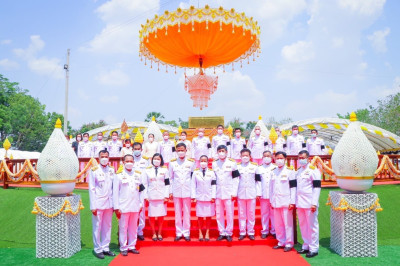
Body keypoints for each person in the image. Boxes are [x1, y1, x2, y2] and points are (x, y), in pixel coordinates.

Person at [113, 154, 146, 256]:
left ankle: (132, 245)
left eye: (131, 161)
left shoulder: (138, 175)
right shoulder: (118, 175)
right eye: (127, 161)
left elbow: (141, 191)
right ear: (123, 162)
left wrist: (141, 204)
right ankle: (123, 246)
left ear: (134, 163)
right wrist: (116, 207)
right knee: (123, 227)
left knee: (133, 227)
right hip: (123, 206)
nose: (129, 163)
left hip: (135, 205)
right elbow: (115, 192)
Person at [88, 150, 116, 259]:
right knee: (97, 227)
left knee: (107, 226)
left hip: (109, 203)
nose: (104, 158)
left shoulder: (112, 170)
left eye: (106, 156)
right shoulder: (94, 170)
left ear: (109, 158)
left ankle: (105, 248)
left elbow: (114, 188)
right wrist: (93, 206)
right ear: (99, 158)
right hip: (98, 203)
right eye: (102, 156)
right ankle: (98, 249)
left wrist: (115, 204)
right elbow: (92, 189)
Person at [295, 150, 321, 258]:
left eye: (303, 157)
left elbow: (317, 188)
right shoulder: (298, 171)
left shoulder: (313, 170)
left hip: (310, 203)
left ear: (308, 158)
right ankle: (306, 246)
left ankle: (314, 248)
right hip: (300, 203)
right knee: (303, 225)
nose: (301, 159)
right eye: (299, 158)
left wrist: (314, 203)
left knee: (312, 226)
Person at [270, 151, 296, 252]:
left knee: (287, 223)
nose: (279, 160)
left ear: (285, 159)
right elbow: (271, 188)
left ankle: (289, 243)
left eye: (281, 158)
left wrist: (292, 201)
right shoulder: (273, 171)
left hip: (286, 201)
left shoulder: (290, 171)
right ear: (275, 159)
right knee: (278, 223)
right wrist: (271, 201)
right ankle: (281, 241)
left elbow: (293, 187)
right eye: (277, 158)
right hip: (276, 201)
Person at [212, 145, 240, 242]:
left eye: (223, 151)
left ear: (227, 152)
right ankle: (221, 232)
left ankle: (229, 232)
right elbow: (213, 180)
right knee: (219, 214)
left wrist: (234, 193)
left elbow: (236, 178)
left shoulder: (232, 163)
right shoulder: (214, 164)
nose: (221, 152)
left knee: (229, 213)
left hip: (229, 192)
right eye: (219, 151)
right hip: (218, 192)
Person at [169, 143, 195, 241]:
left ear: (186, 151)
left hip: (187, 190)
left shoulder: (191, 162)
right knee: (178, 212)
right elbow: (170, 178)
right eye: (178, 150)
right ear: (176, 151)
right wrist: (170, 191)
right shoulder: (172, 163)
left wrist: (193, 193)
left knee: (187, 212)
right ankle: (179, 232)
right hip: (176, 190)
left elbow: (193, 178)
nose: (180, 152)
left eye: (182, 150)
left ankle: (186, 232)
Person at [144, 153, 170, 241]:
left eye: (158, 159)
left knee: (161, 216)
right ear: (152, 160)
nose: (156, 160)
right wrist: (145, 196)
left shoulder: (165, 170)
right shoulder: (147, 170)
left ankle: (159, 233)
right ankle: (153, 233)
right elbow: (145, 184)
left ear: (161, 160)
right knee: (151, 215)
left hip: (161, 196)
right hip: (151, 196)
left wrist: (166, 196)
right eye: (155, 158)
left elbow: (167, 184)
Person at [236, 148, 261, 240]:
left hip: (251, 193)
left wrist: (258, 193)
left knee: (251, 213)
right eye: (243, 156)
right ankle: (242, 232)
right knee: (241, 214)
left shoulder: (255, 166)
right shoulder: (237, 166)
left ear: (250, 157)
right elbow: (235, 181)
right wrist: (234, 193)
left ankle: (251, 232)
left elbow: (258, 180)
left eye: (247, 155)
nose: (245, 157)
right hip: (241, 193)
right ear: (240, 156)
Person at [191, 155, 217, 241]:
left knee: (209, 216)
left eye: (205, 161)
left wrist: (213, 196)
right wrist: (193, 197)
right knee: (200, 216)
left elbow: (214, 185)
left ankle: (207, 232)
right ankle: (200, 232)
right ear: (199, 162)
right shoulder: (195, 172)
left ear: (207, 162)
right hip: (199, 197)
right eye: (201, 161)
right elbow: (193, 185)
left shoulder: (212, 172)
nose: (203, 162)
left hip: (209, 197)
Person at [132, 142, 150, 241]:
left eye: (138, 148)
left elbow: (148, 175)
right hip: (132, 188)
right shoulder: (129, 160)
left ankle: (140, 231)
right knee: (133, 211)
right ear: (132, 150)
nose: (137, 150)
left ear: (141, 149)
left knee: (142, 211)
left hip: (143, 188)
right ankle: (132, 231)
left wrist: (147, 192)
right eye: (135, 148)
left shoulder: (146, 160)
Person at [258, 151, 276, 239]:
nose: (266, 157)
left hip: (274, 195)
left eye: (268, 156)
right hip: (263, 194)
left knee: (273, 214)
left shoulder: (275, 167)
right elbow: (257, 182)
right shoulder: (259, 168)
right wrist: (258, 193)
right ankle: (264, 230)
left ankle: (274, 230)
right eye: (264, 156)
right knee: (264, 213)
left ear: (271, 157)